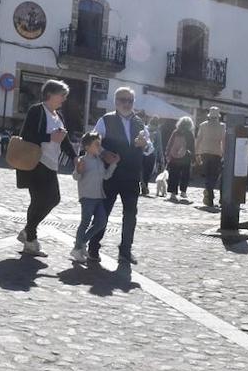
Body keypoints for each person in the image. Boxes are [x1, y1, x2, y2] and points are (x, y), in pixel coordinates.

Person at [89, 87, 154, 264]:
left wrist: (145, 145)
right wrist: (103, 153)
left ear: (133, 103)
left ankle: (125, 250)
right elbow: (92, 142)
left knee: (131, 214)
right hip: (110, 175)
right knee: (103, 213)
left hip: (132, 176)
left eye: (130, 101)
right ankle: (93, 247)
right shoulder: (105, 120)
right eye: (122, 100)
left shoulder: (140, 123)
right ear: (116, 101)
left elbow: (150, 149)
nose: (126, 103)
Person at [17, 79, 76, 256]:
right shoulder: (37, 111)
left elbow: (64, 140)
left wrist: (75, 158)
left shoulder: (59, 116)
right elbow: (26, 135)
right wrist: (50, 137)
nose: (64, 99)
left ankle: (28, 231)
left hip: (51, 164)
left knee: (53, 199)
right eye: (62, 95)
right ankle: (30, 240)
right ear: (50, 94)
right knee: (39, 200)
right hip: (35, 162)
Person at [70, 131, 118, 263]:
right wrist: (78, 170)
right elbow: (76, 176)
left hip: (99, 197)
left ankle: (81, 243)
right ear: (87, 147)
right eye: (97, 145)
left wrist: (114, 164)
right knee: (85, 222)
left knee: (101, 222)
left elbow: (106, 176)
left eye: (100, 145)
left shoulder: (99, 161)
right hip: (87, 197)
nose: (99, 147)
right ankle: (77, 248)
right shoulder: (83, 160)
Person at [195, 107, 226, 207]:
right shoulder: (222, 126)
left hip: (205, 153)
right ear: (218, 117)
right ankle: (209, 194)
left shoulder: (203, 125)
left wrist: (196, 153)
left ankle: (209, 194)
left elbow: (198, 139)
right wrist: (224, 153)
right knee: (214, 176)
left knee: (208, 175)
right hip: (216, 154)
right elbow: (223, 141)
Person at [166, 116, 196, 201]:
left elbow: (170, 143)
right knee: (185, 175)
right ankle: (183, 192)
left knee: (173, 175)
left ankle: (173, 193)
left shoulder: (175, 132)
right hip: (185, 157)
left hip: (174, 156)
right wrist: (193, 158)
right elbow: (192, 147)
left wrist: (167, 154)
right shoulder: (189, 133)